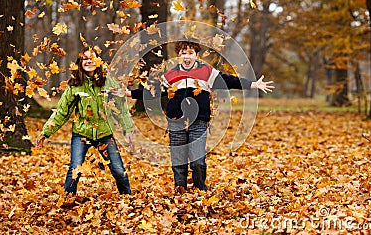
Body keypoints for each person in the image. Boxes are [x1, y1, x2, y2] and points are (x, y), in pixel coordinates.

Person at [115, 41, 274, 191]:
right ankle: (180, 190)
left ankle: (200, 190)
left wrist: (253, 84)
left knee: (198, 161)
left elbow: (228, 80)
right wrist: (129, 93)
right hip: (175, 121)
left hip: (199, 120)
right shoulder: (170, 75)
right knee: (178, 161)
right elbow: (152, 91)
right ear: (179, 55)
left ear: (196, 55)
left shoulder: (206, 71)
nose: (187, 56)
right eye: (184, 53)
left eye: (191, 53)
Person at [36, 47, 134, 196]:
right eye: (85, 59)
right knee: (75, 169)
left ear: (99, 62)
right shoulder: (75, 85)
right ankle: (68, 199)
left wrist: (128, 130)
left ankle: (127, 198)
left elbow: (120, 109)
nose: (89, 61)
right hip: (82, 133)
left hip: (104, 133)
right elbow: (62, 112)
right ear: (80, 63)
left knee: (119, 170)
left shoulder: (108, 83)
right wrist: (45, 132)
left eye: (92, 58)